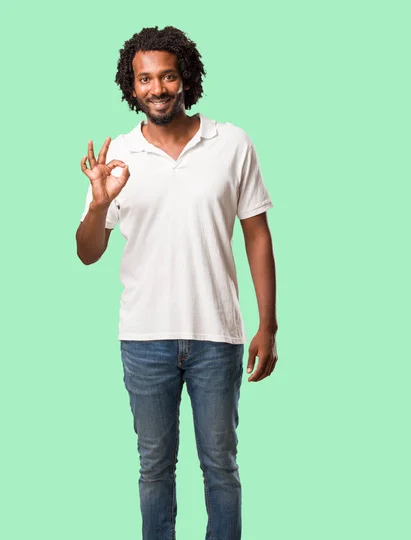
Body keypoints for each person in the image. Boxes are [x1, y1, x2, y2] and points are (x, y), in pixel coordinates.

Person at [75, 25, 278, 540]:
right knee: (153, 471)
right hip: (144, 339)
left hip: (217, 336)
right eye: (145, 79)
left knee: (221, 469)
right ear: (131, 86)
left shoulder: (231, 143)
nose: (158, 89)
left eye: (167, 76)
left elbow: (257, 234)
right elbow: (87, 253)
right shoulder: (118, 156)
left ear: (185, 77)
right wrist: (99, 205)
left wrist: (267, 325)